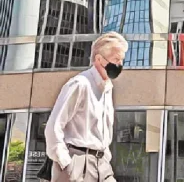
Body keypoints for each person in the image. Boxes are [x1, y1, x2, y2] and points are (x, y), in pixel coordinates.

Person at [45, 32, 128, 182]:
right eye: (116, 59)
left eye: (122, 60)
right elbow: (54, 126)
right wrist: (66, 162)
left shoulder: (107, 89)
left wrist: (106, 158)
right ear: (99, 59)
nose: (120, 65)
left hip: (101, 163)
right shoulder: (80, 84)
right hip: (77, 160)